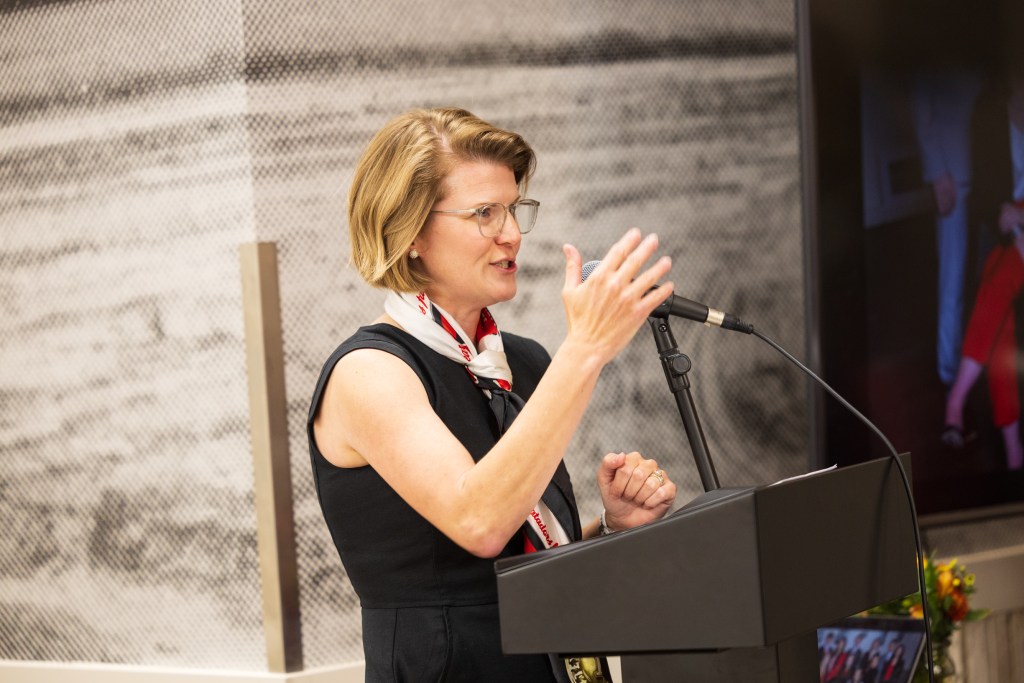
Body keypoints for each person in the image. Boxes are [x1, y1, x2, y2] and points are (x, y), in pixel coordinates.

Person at [307, 107, 679, 683]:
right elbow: (479, 522)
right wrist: (585, 350)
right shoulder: (370, 372)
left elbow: (523, 555)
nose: (511, 234)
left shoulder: (522, 361)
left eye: (512, 210)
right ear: (409, 235)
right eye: (484, 213)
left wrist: (611, 526)